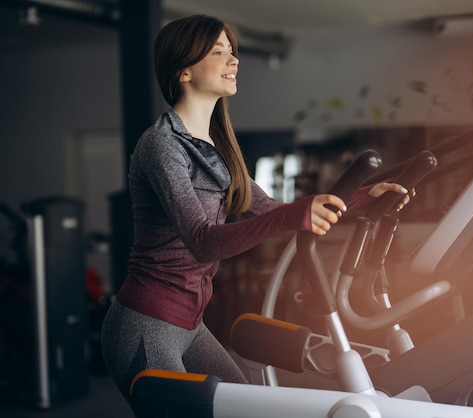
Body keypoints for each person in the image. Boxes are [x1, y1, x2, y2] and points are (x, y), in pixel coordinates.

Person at [100, 14, 413, 409]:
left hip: (191, 324)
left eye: (232, 52)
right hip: (146, 324)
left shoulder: (215, 147)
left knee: (249, 408)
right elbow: (201, 242)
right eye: (218, 52)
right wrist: (290, 216)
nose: (234, 61)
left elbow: (274, 210)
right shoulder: (162, 145)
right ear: (183, 72)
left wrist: (368, 196)